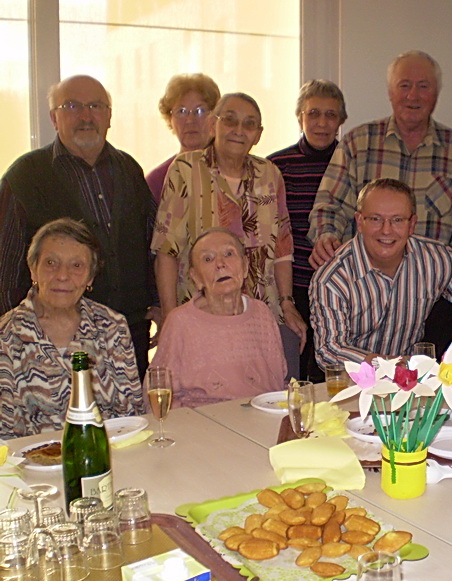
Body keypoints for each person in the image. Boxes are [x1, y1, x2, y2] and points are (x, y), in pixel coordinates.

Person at [308, 50, 452, 356]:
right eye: (404, 85)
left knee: (423, 392)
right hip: (366, 295)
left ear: (436, 94)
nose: (413, 95)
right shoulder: (359, 142)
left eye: (424, 86)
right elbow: (328, 206)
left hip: (432, 298)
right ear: (389, 92)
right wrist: (326, 237)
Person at [0, 75, 156, 379]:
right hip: (50, 338)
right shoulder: (25, 175)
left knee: (126, 418)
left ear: (109, 115)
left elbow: (150, 241)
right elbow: (5, 266)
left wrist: (158, 303)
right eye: (72, 106)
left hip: (127, 332)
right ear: (54, 118)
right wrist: (13, 333)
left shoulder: (129, 168)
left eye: (95, 106)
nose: (86, 116)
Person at [151, 92, 307, 376]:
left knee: (273, 393)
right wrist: (171, 318)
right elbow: (166, 250)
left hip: (263, 315)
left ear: (258, 135)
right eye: (230, 120)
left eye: (249, 125)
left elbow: (283, 250)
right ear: (213, 125)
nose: (239, 130)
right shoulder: (186, 169)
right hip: (202, 315)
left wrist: (287, 303)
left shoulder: (269, 174)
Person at [310, 178, 452, 367]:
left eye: (397, 220)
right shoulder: (332, 278)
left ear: (412, 224)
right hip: (354, 384)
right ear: (359, 221)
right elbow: (329, 350)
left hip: (410, 382)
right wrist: (392, 365)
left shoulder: (434, 258)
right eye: (375, 219)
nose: (386, 230)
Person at [0, 219, 144, 438]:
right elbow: (5, 434)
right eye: (51, 263)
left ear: (90, 277)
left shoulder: (112, 326)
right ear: (33, 270)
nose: (62, 275)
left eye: (77, 266)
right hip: (32, 464)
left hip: (106, 455)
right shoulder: (6, 335)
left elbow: (131, 414)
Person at [150, 228, 287, 407]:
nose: (220, 264)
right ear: (195, 277)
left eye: (229, 254)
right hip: (204, 425)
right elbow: (160, 394)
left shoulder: (262, 314)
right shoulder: (180, 322)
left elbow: (279, 382)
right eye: (208, 259)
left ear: (245, 267)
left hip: (263, 418)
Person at [268, 80, 347, 380]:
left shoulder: (350, 164)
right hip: (292, 288)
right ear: (299, 116)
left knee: (330, 373)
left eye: (331, 115)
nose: (322, 123)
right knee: (292, 370)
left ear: (341, 121)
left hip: (340, 290)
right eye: (313, 113)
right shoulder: (277, 166)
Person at [146, 73, 220, 201]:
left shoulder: (235, 172)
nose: (190, 120)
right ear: (170, 119)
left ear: (215, 117)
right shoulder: (157, 181)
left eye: (200, 111)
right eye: (181, 111)